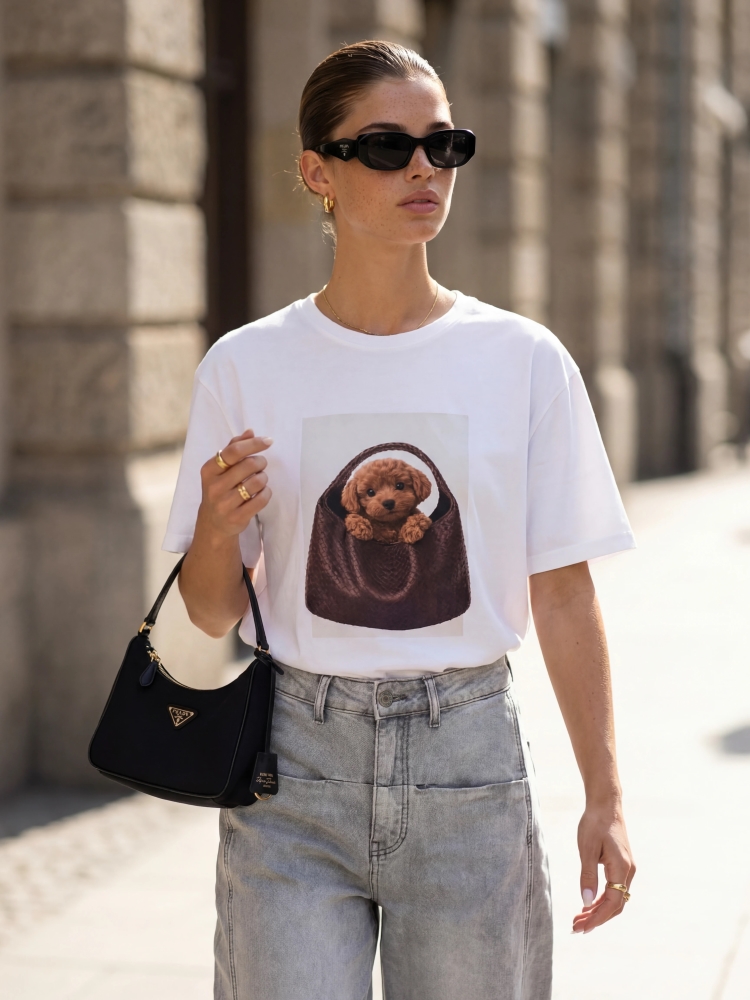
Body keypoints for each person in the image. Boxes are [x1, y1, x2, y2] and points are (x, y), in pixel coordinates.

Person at [164, 39, 635, 1000]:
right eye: (387, 147)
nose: (424, 169)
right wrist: (215, 528)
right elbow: (209, 615)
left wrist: (606, 794)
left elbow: (563, 589)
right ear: (317, 172)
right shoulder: (246, 365)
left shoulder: (524, 360)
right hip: (293, 770)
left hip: (469, 764)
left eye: (444, 144)